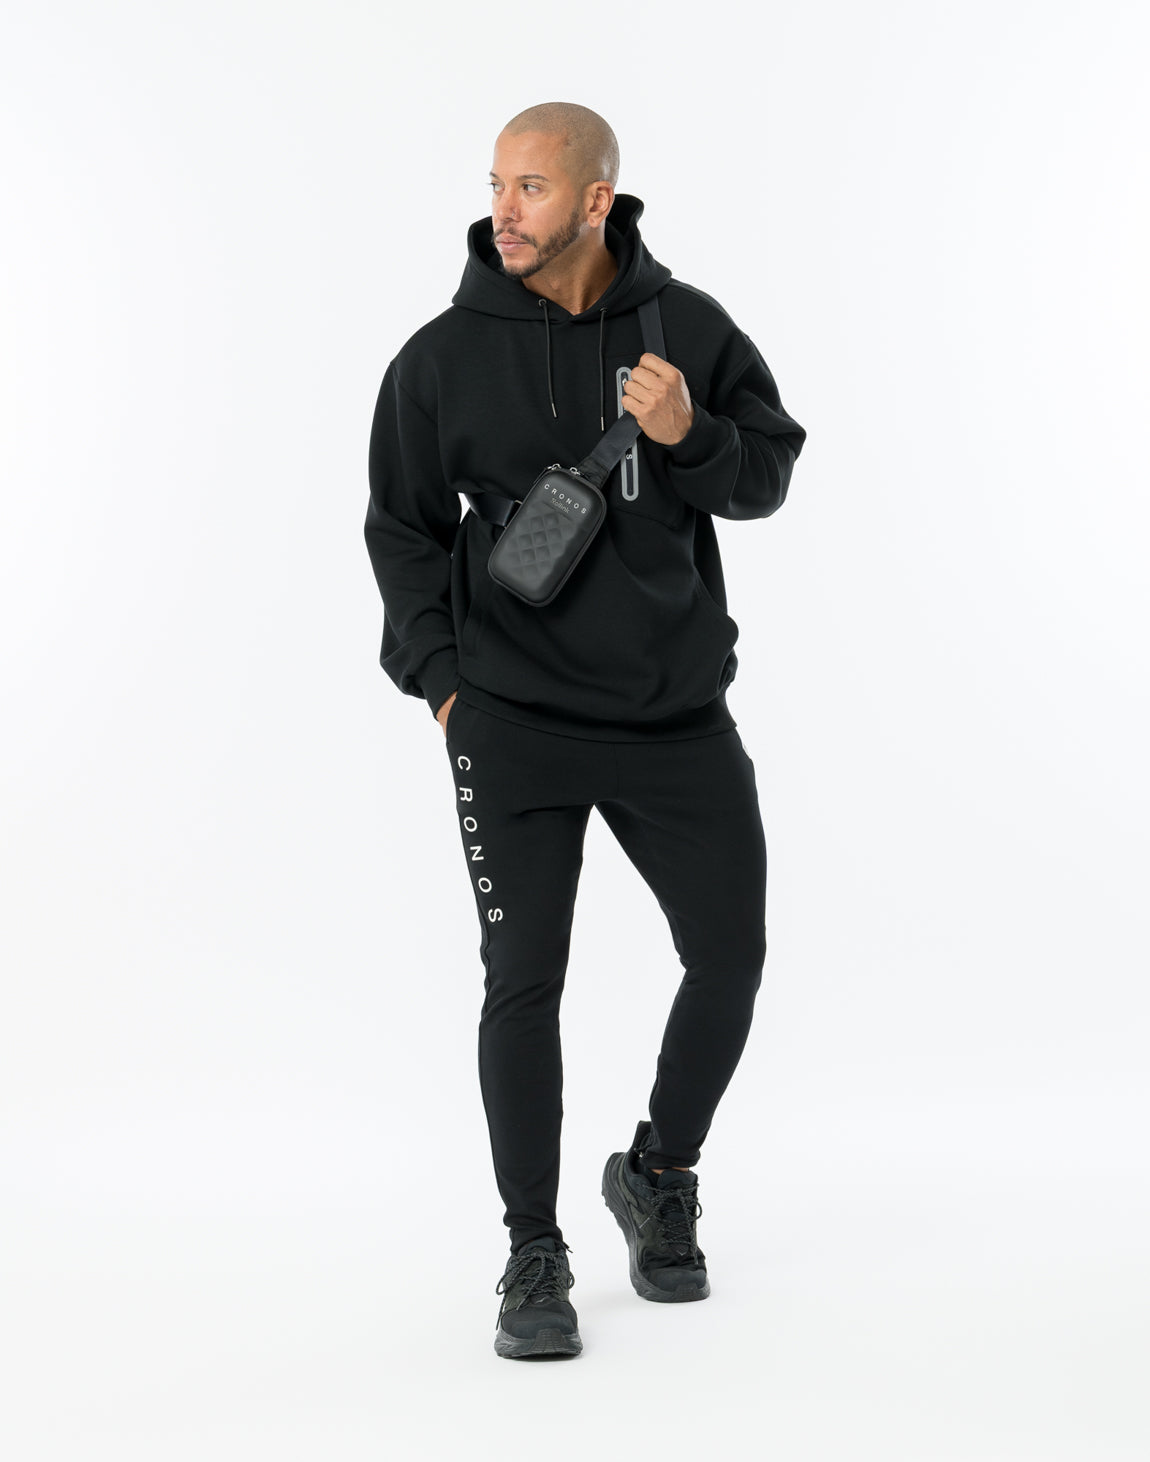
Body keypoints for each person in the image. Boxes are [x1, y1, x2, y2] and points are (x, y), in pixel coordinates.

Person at [364, 101, 806, 1360]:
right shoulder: (440, 356)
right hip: (510, 723)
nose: (504, 210)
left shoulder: (688, 328)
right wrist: (443, 683)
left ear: (597, 200)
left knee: (729, 957)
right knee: (523, 982)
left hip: (674, 717)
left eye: (534, 187)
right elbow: (400, 528)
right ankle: (531, 1250)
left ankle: (658, 1173)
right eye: (497, 184)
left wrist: (689, 435)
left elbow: (766, 476)